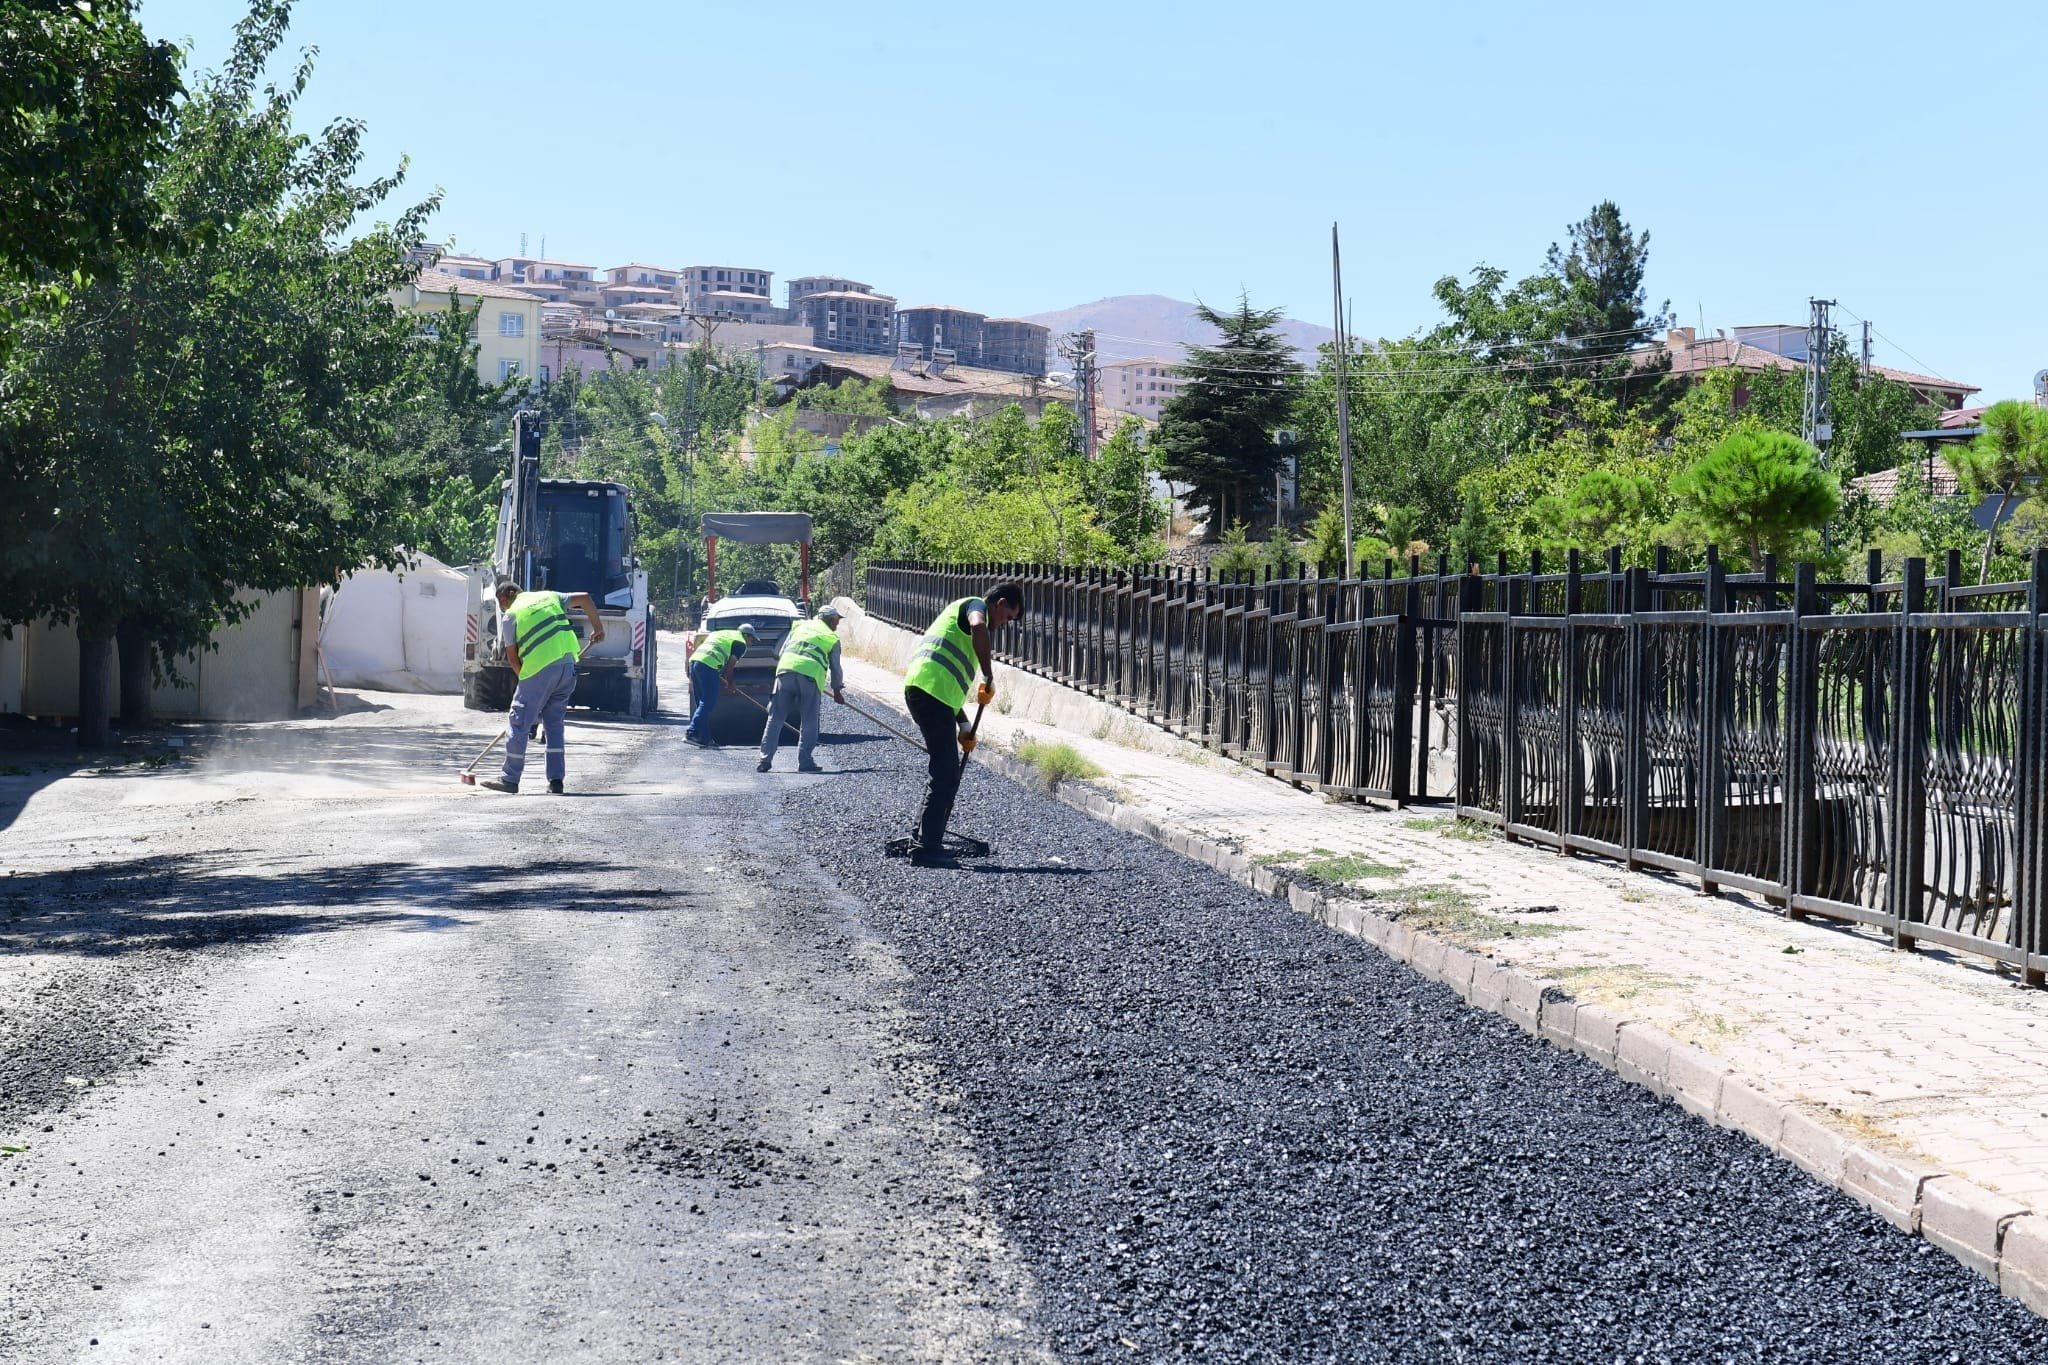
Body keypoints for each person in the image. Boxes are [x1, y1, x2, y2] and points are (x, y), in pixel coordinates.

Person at [902, 581, 1024, 866]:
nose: (1004, 624)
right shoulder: (975, 606)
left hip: (931, 694)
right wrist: (988, 674)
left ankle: (922, 836)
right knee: (945, 772)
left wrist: (964, 725)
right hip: (928, 693)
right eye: (1007, 617)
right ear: (1001, 603)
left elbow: (948, 685)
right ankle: (927, 848)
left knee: (944, 769)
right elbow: (979, 625)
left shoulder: (964, 635)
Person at [479, 578, 604, 795]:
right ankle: (556, 781)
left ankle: (510, 778)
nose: (502, 608)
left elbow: (512, 657)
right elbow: (585, 598)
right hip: (567, 668)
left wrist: (527, 686)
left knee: (518, 723)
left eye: (501, 603)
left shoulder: (511, 616)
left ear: (508, 595)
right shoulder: (549, 596)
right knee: (554, 725)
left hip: (539, 669)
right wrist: (598, 629)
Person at [758, 604, 846, 774]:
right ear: (830, 619)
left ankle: (764, 760)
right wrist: (837, 691)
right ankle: (805, 762)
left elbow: (780, 652)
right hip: (809, 676)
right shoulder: (832, 637)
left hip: (785, 672)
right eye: (837, 620)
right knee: (809, 720)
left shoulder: (799, 626)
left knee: (775, 718)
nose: (838, 624)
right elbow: (836, 667)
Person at [685, 621, 758, 747]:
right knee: (708, 702)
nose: (752, 643)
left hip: (695, 663)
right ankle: (691, 732)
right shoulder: (740, 643)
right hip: (709, 666)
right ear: (746, 636)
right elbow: (730, 666)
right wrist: (730, 684)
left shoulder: (723, 633)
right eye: (752, 640)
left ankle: (704, 738)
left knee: (701, 704)